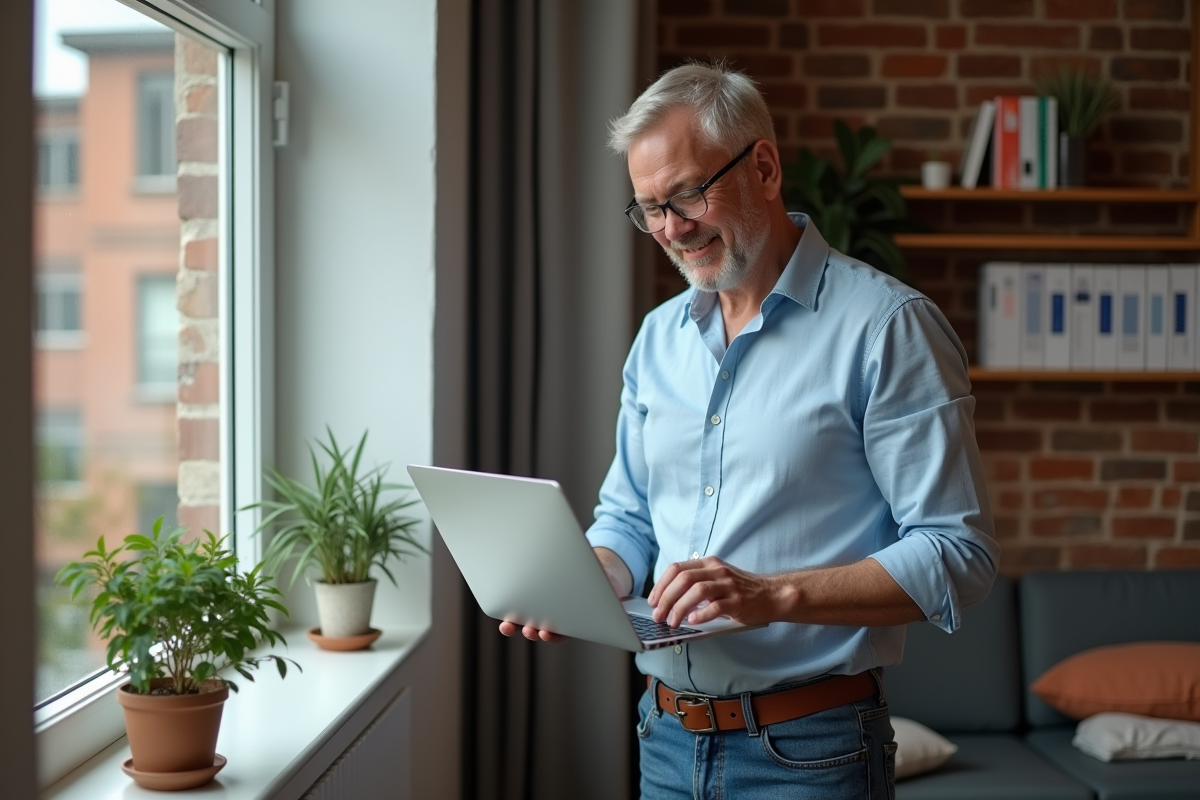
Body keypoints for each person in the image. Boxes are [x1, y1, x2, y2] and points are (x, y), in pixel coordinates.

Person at [500, 61, 998, 799]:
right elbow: (630, 517)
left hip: (812, 754)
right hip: (663, 740)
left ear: (763, 167)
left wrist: (773, 596)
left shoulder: (887, 329)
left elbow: (958, 555)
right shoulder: (657, 338)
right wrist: (590, 582)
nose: (671, 228)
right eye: (650, 209)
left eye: (689, 193)